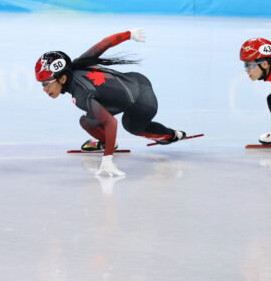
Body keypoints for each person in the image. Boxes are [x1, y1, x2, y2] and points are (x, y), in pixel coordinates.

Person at [35, 28, 187, 177]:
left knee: (130, 125)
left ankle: (170, 135)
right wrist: (130, 34)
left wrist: (107, 159)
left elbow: (111, 123)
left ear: (62, 78)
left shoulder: (80, 95)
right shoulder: (77, 63)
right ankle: (107, 142)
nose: (44, 88)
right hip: (136, 80)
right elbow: (105, 43)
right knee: (87, 120)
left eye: (46, 83)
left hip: (142, 103)